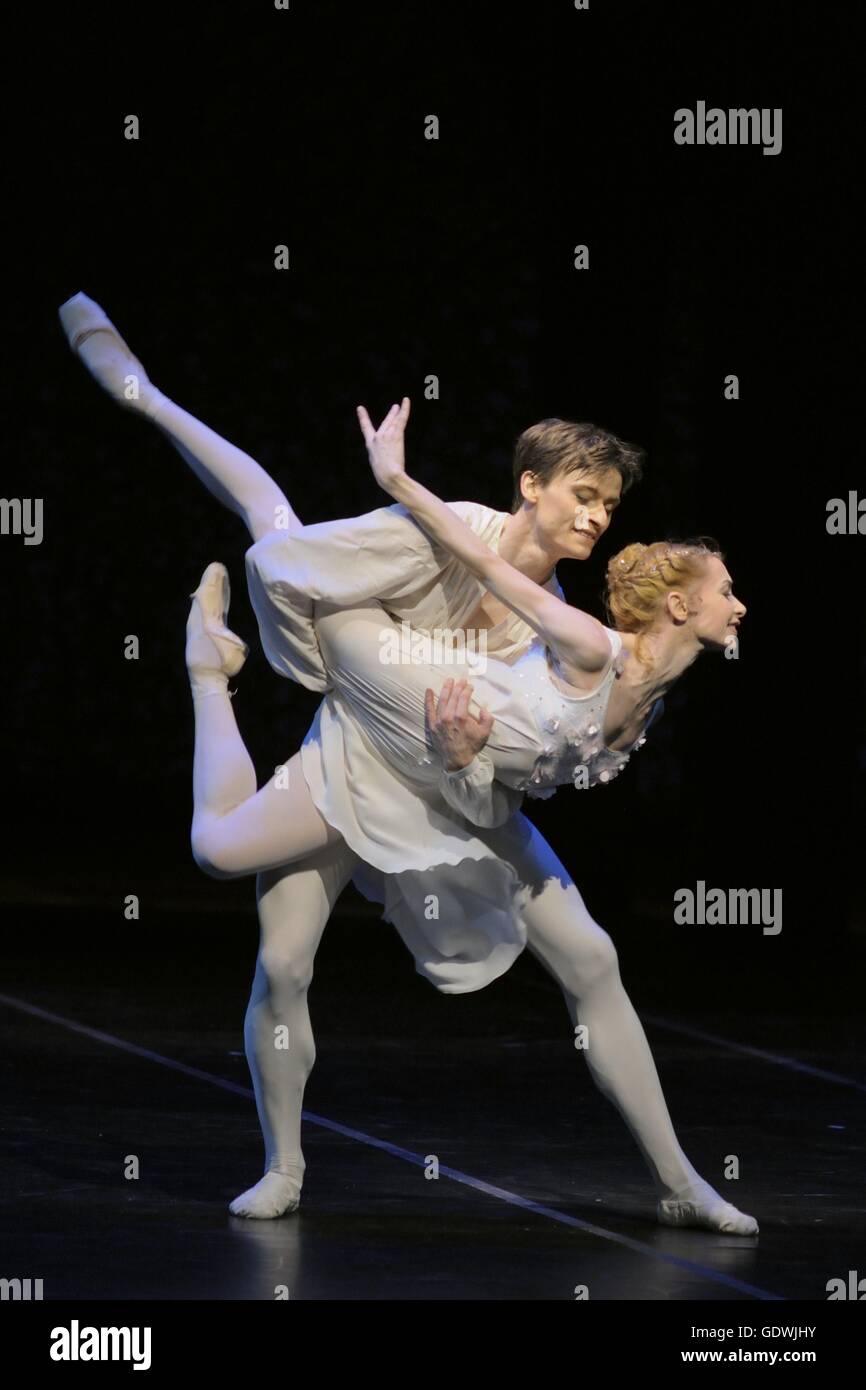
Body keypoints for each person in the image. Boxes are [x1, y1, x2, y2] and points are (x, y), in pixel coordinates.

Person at [59, 292, 758, 1235]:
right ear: (530, 487)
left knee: (593, 956)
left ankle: (681, 1180)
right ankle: (285, 1165)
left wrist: (466, 759)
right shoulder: (445, 531)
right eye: (582, 495)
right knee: (281, 956)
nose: (596, 517)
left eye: (608, 505)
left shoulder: (559, 624)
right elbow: (292, 550)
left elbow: (517, 750)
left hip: (452, 785)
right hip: (358, 749)